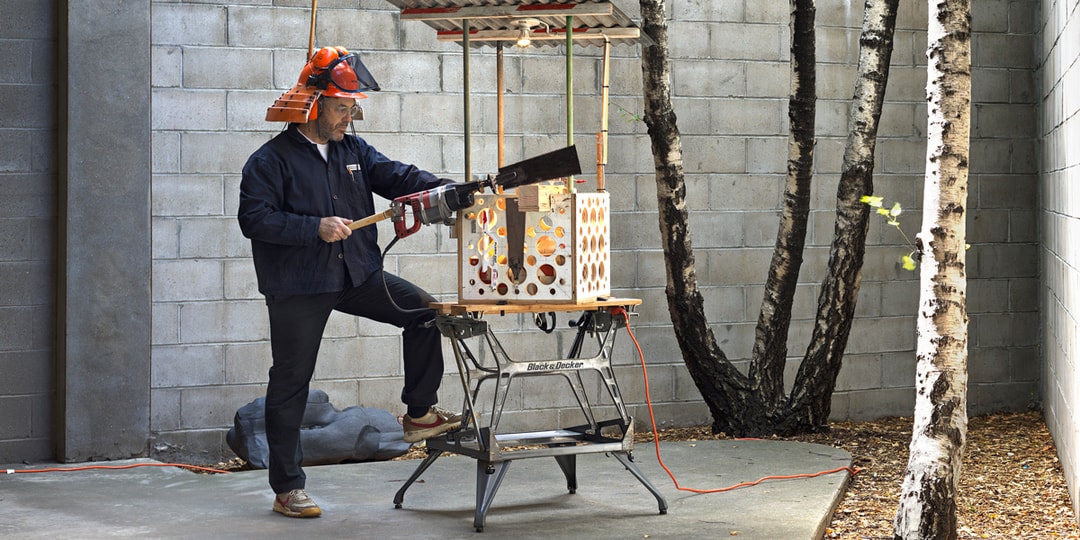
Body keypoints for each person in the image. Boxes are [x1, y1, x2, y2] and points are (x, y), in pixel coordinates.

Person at [238, 46, 461, 519]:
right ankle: (288, 488)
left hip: (357, 273)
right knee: (291, 381)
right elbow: (253, 219)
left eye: (352, 107)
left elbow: (396, 175)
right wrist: (312, 227)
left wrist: (446, 190)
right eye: (342, 108)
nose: (350, 116)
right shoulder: (269, 161)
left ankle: (419, 413)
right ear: (313, 105)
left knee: (424, 313)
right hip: (299, 283)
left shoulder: (353, 149)